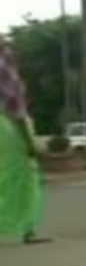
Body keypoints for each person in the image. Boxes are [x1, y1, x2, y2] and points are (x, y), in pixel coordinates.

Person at [0, 41, 49, 244]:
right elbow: (17, 111)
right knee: (26, 178)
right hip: (9, 128)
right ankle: (29, 229)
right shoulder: (7, 73)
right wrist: (30, 144)